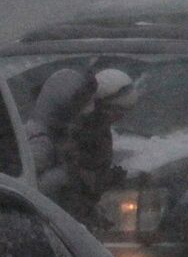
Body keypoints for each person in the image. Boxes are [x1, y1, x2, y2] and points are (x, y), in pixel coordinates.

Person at [25, 68, 98, 222]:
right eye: (80, 106)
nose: (86, 112)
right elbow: (25, 190)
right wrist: (66, 175)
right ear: (65, 107)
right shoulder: (40, 142)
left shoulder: (55, 134)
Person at [69, 68, 139, 206]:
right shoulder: (85, 132)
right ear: (102, 106)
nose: (119, 117)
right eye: (117, 111)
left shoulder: (98, 127)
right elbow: (78, 176)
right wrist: (110, 179)